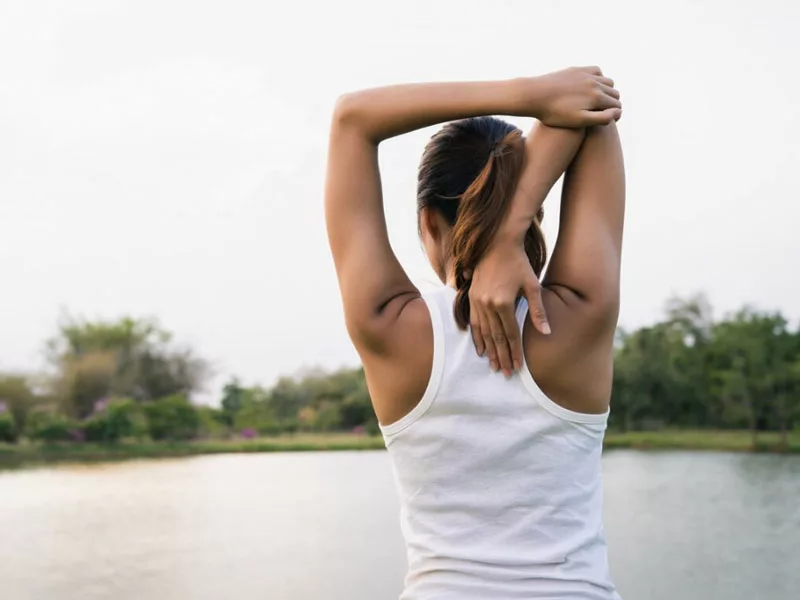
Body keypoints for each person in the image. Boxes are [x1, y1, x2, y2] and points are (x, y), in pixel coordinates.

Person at [325, 67, 625, 599]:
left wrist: (525, 96)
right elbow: (595, 108)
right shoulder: (579, 314)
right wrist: (509, 228)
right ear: (536, 213)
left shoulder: (387, 324)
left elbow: (352, 119)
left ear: (427, 222)